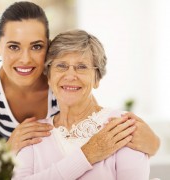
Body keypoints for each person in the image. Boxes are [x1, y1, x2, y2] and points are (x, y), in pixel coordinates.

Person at [0, 1, 159, 157]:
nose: (25, 59)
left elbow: (93, 126)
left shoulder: (61, 82)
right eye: (14, 46)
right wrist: (9, 147)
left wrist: (151, 142)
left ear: (47, 46)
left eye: (36, 46)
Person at [12, 29, 150, 180]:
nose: (70, 75)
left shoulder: (121, 126)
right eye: (61, 66)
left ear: (97, 79)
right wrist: (86, 155)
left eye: (82, 67)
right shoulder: (32, 134)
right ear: (49, 77)